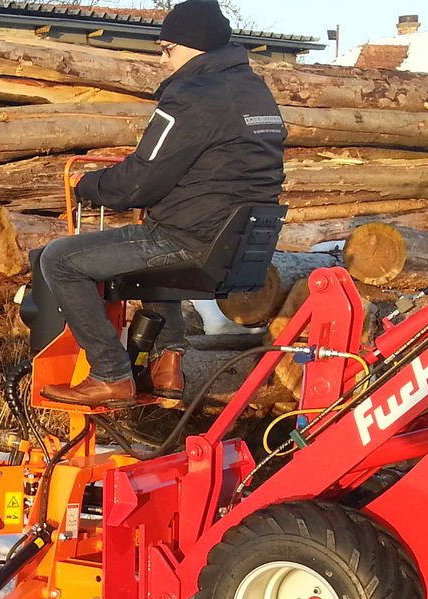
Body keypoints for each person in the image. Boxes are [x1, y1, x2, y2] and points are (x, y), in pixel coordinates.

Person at [31, 0, 286, 408]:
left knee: (59, 259)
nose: (162, 57)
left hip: (193, 238)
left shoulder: (191, 95)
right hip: (239, 244)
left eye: (167, 48)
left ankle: (109, 374)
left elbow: (138, 183)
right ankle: (167, 366)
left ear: (193, 46)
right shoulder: (253, 91)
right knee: (151, 255)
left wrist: (88, 185)